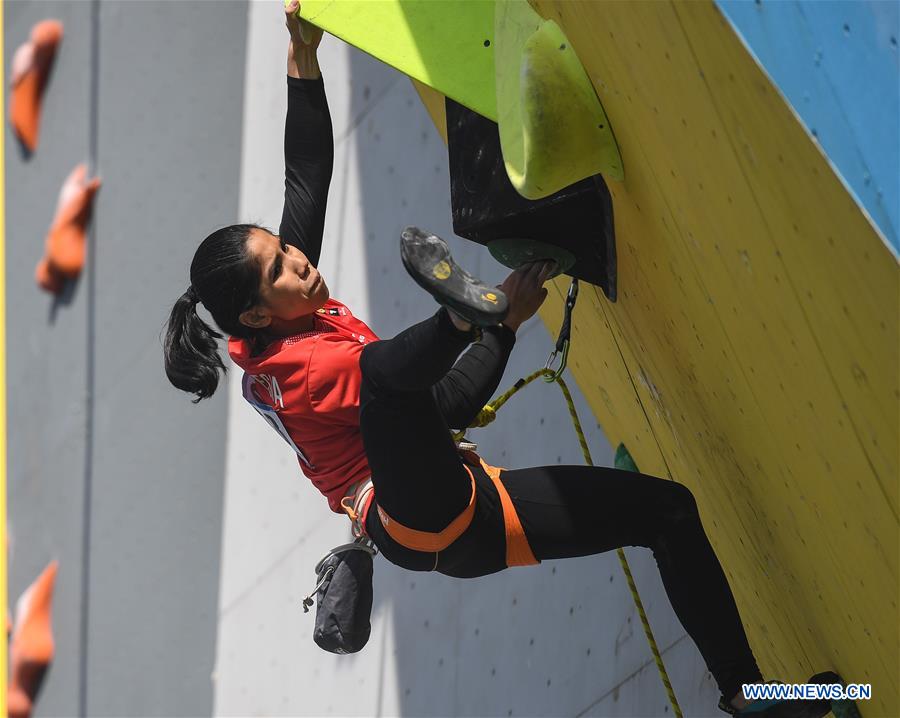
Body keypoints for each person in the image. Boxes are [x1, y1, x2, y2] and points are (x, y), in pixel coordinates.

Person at [163, 4, 833, 717]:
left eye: (286, 250)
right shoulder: (299, 370)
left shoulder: (275, 312)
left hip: (469, 504)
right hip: (413, 513)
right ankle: (459, 311)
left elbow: (306, 179)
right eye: (280, 269)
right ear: (258, 313)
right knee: (392, 380)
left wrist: (302, 56)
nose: (300, 261)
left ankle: (752, 697)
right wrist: (497, 328)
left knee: (667, 512)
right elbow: (443, 403)